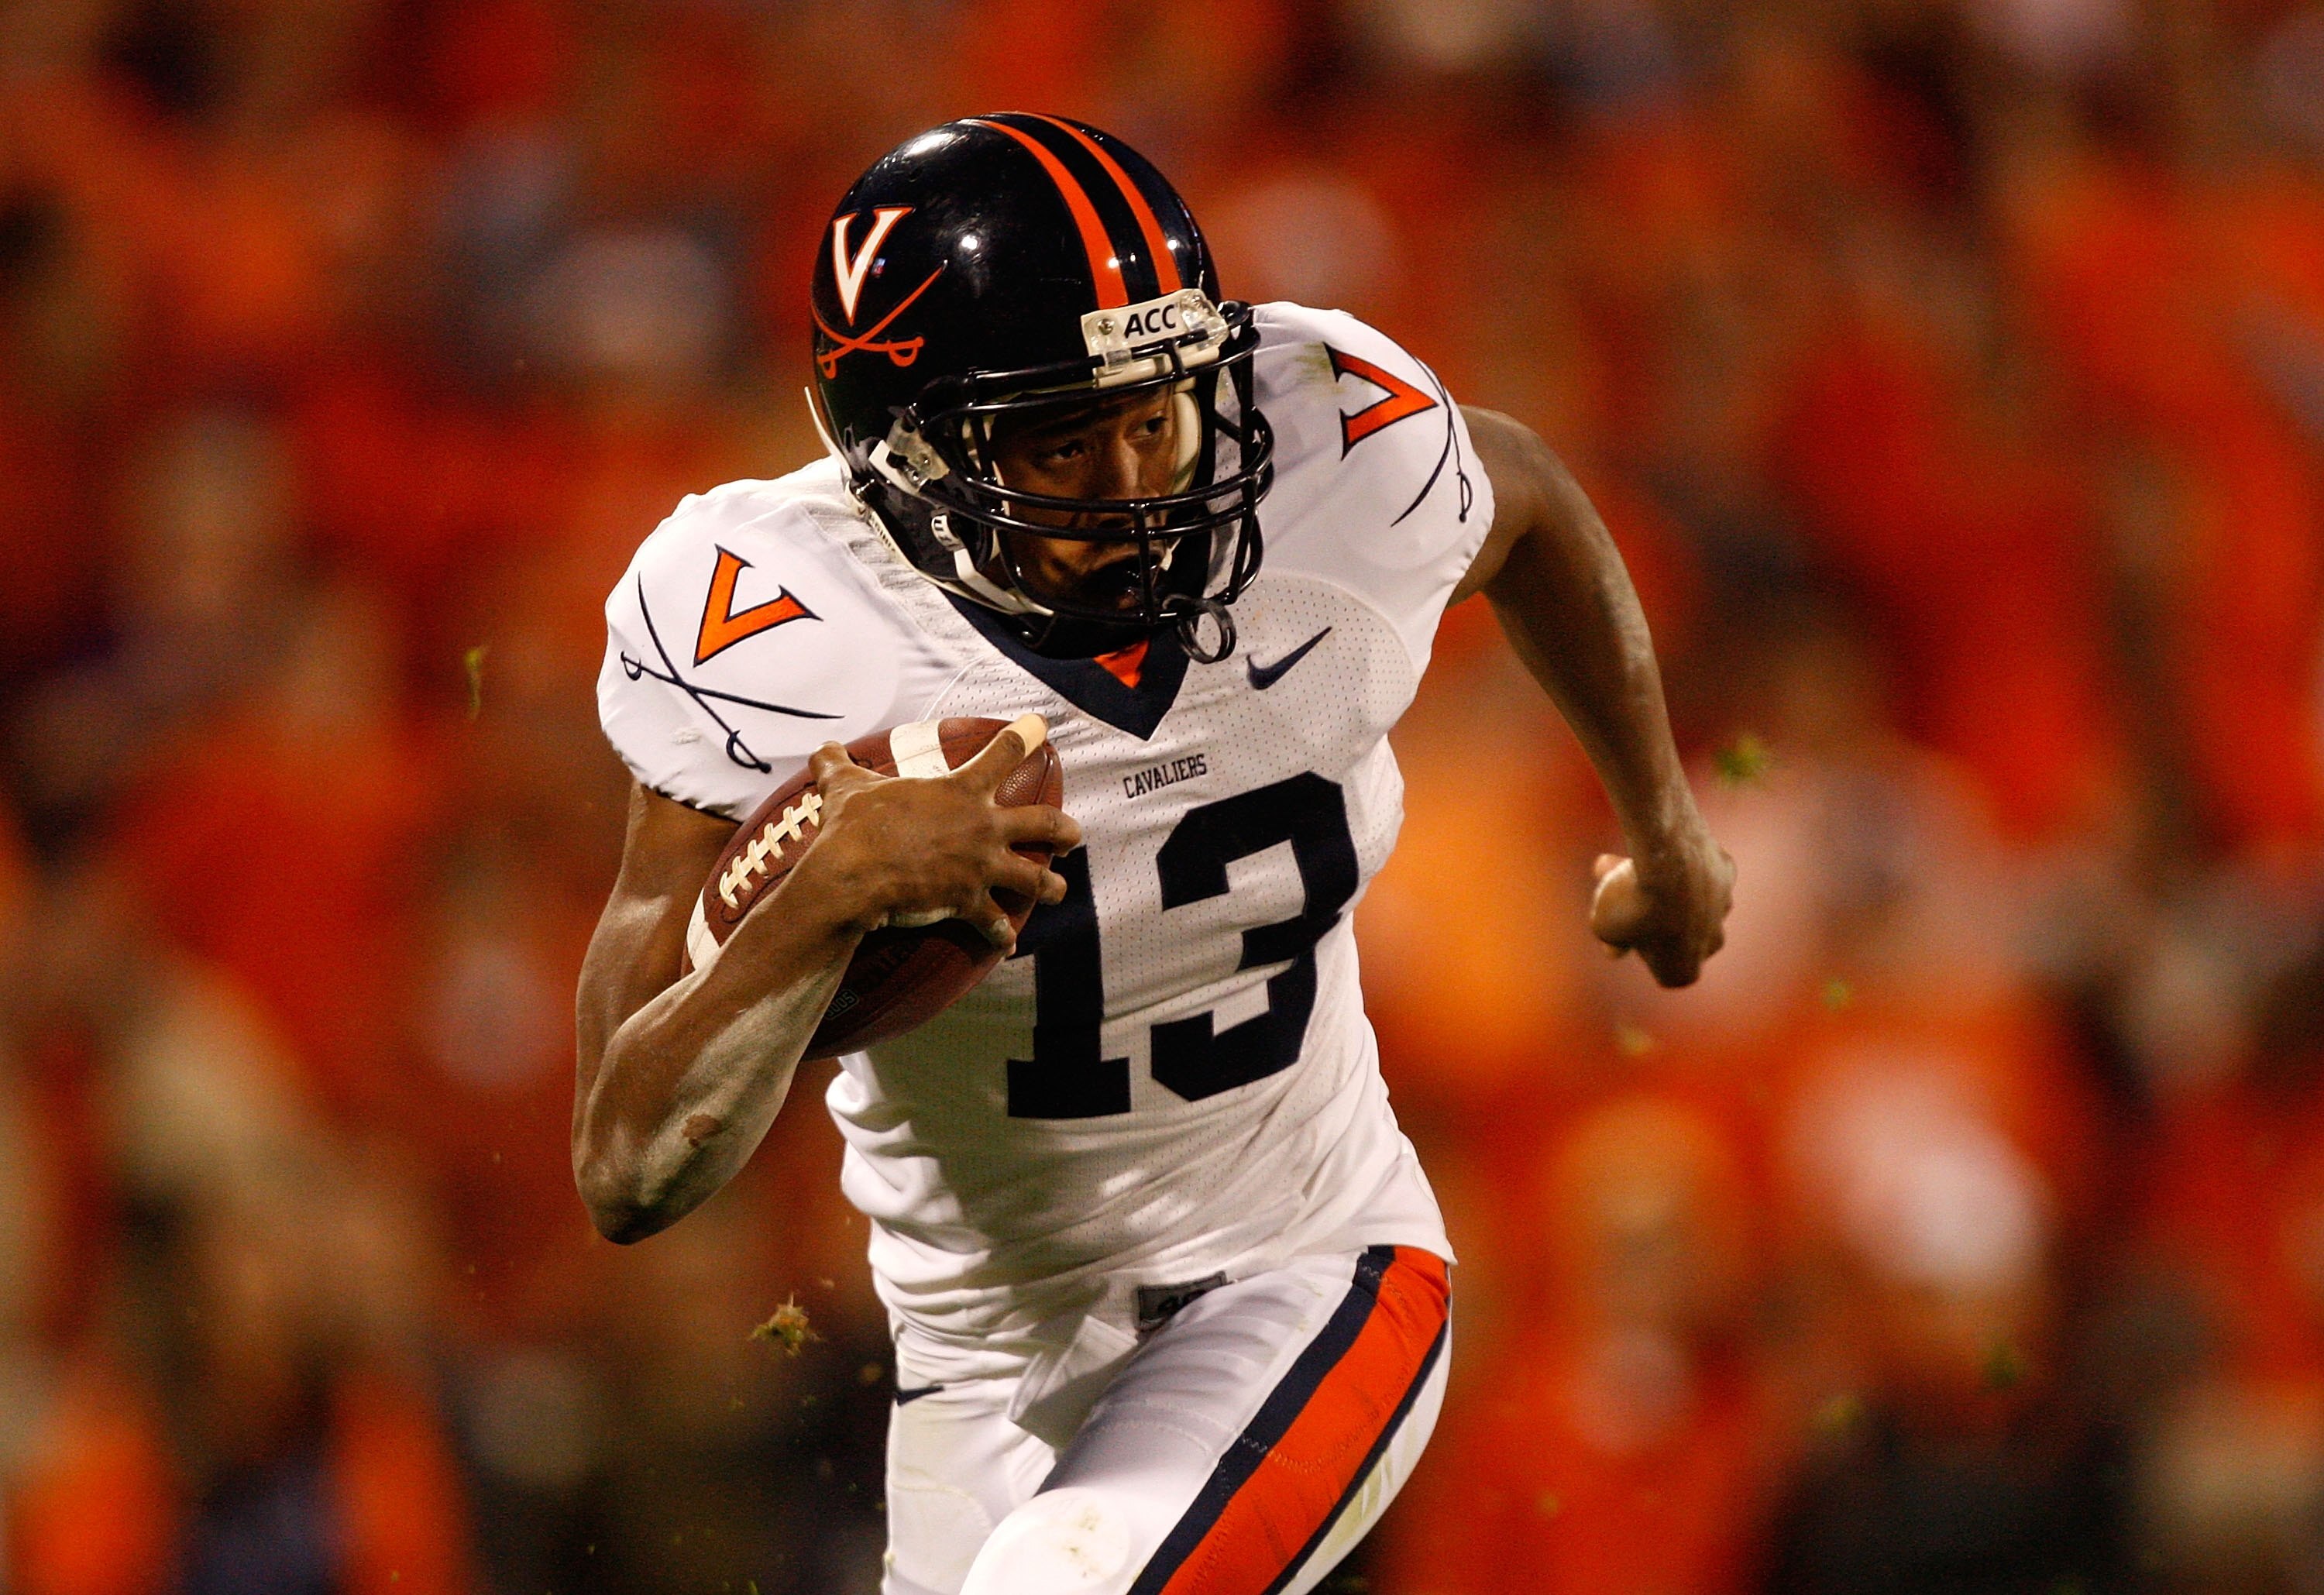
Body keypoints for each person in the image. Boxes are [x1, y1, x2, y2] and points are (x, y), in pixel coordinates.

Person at [573, 113, 1733, 1595]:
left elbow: (1527, 500)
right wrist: (826, 893)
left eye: (1160, 415)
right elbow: (625, 1164)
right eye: (1063, 439)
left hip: (1302, 1269)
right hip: (977, 1364)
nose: (1137, 482)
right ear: (907, 453)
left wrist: (1668, 830)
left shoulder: (1332, 450)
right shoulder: (773, 621)